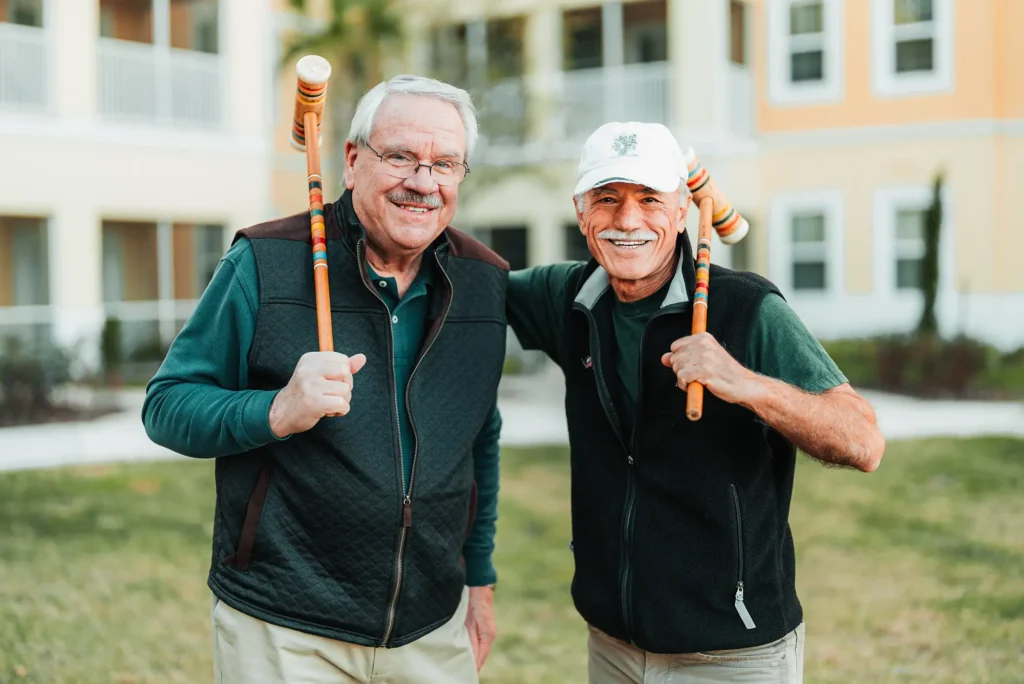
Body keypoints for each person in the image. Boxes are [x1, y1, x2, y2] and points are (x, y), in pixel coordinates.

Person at [142, 75, 510, 683]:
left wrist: (480, 581)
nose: (423, 181)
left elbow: (479, 439)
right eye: (400, 157)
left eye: (445, 163)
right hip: (286, 626)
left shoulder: (483, 280)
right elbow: (168, 405)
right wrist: (277, 411)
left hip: (430, 625)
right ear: (351, 160)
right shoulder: (265, 261)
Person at [506, 121, 886, 684]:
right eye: (606, 199)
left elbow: (863, 441)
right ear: (580, 211)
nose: (627, 220)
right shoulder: (568, 297)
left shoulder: (745, 308)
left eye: (649, 199)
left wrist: (744, 383)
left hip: (731, 652)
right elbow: (474, 281)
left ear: (683, 209)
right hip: (612, 643)